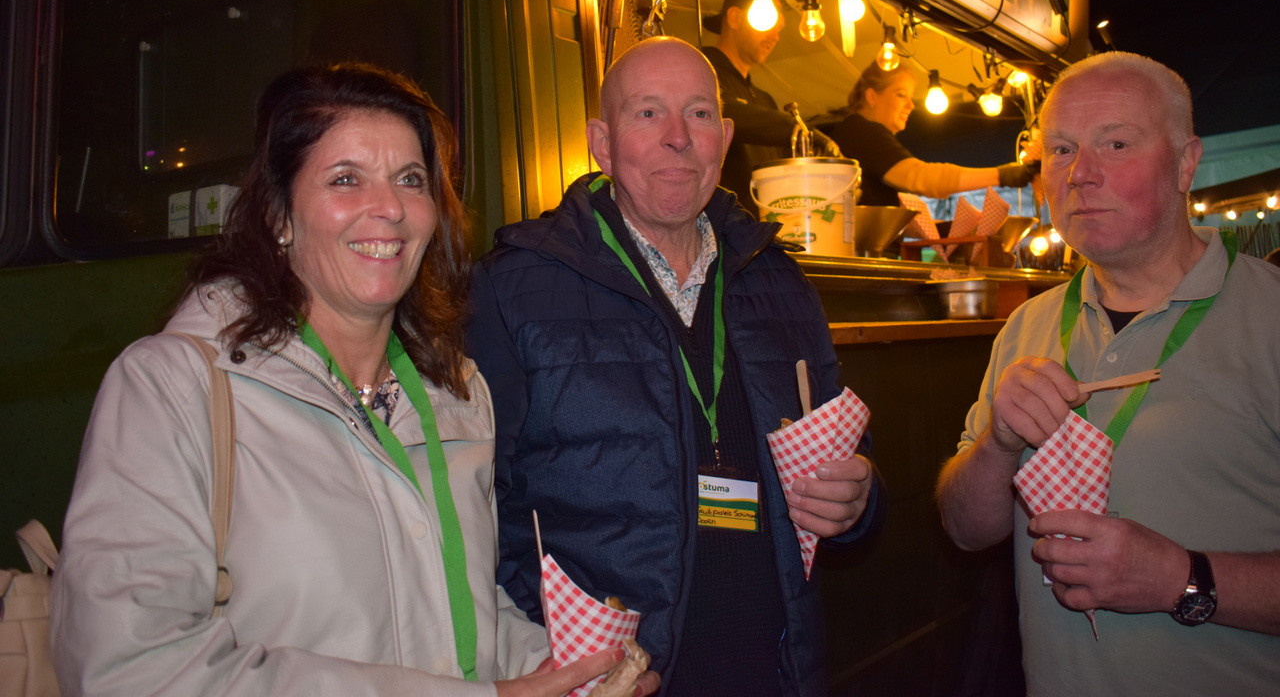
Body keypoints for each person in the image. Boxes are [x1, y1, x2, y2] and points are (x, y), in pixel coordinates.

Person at [50, 64, 657, 697]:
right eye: (346, 179)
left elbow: (461, 616)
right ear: (279, 215)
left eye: (410, 180)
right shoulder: (174, 389)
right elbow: (126, 669)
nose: (390, 207)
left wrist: (566, 673)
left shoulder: (457, 394)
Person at [467, 37, 885, 697]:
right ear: (602, 144)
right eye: (647, 113)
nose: (677, 138)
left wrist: (859, 498)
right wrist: (544, 651)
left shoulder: (779, 281)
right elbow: (476, 511)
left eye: (697, 114)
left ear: (724, 137)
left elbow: (843, 455)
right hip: (613, 677)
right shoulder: (513, 287)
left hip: (772, 670)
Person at [935, 52, 1280, 695]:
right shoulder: (1027, 325)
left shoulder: (1269, 317)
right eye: (1061, 150)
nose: (1080, 174)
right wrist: (998, 445)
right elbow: (965, 530)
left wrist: (1182, 579)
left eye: (1115, 144)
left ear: (1186, 163)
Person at [825, 64, 1036, 207]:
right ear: (872, 96)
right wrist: (1005, 175)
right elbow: (922, 179)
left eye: (911, 97)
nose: (911, 105)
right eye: (901, 95)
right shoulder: (861, 130)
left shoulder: (860, 136)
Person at [701, 0, 794, 206]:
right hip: (719, 221)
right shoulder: (701, 73)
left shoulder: (765, 100)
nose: (775, 36)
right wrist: (793, 126)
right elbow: (719, 110)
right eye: (768, 23)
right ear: (735, 18)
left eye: (779, 29)